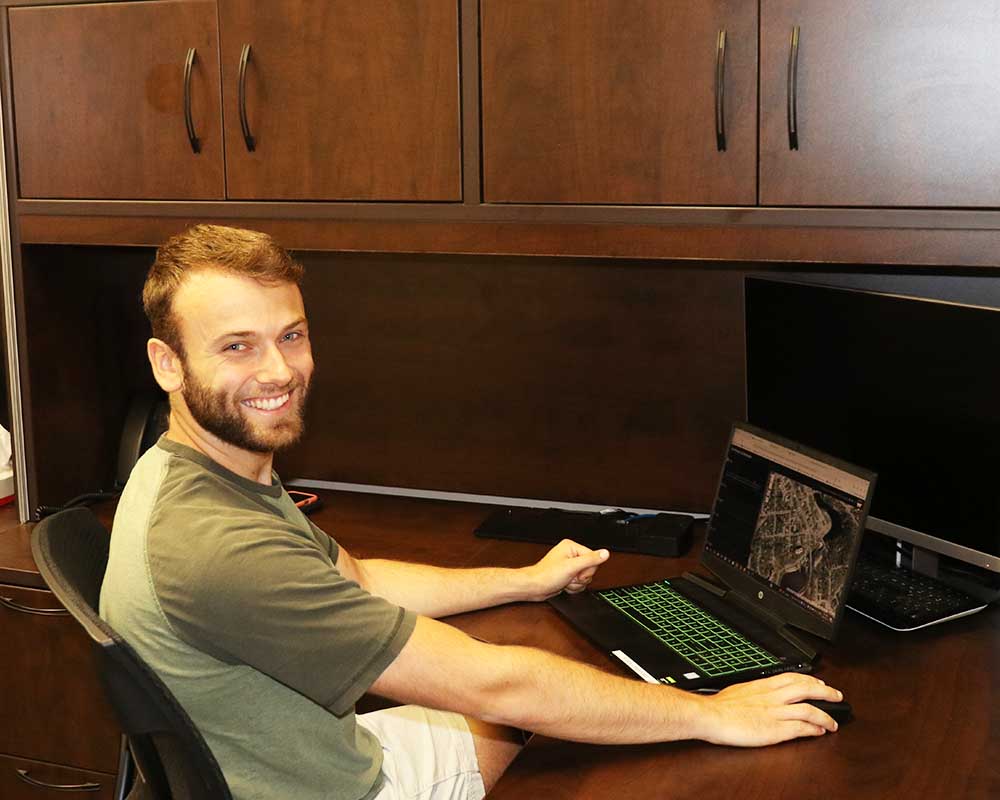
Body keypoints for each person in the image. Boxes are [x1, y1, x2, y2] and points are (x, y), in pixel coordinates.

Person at [101, 224, 845, 800]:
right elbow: (497, 685)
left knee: (559, 695)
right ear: (167, 363)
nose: (278, 371)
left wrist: (521, 581)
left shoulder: (190, 469)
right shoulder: (216, 547)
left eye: (290, 335)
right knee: (585, 739)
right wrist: (715, 713)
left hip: (310, 758)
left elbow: (355, 579)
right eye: (237, 346)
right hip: (346, 788)